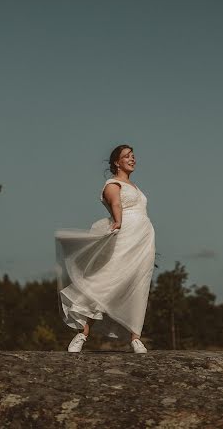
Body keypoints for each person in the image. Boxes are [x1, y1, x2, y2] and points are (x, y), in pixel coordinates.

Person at [54, 144, 156, 353]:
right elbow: (116, 204)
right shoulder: (112, 184)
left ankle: (135, 337)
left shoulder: (135, 187)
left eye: (133, 155)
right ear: (116, 162)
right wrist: (118, 221)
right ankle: (82, 333)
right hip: (126, 236)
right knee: (107, 282)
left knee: (139, 284)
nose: (132, 158)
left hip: (143, 241)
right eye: (127, 156)